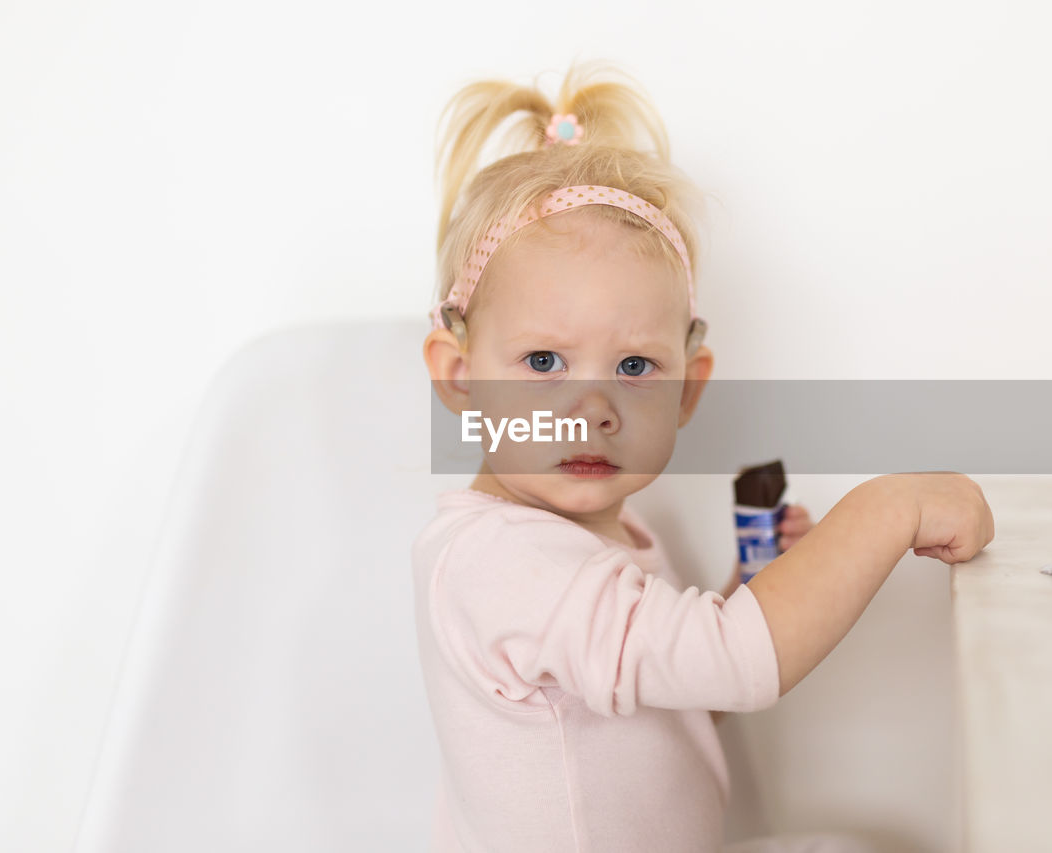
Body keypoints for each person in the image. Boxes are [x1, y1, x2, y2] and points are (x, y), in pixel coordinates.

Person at [415, 59, 995, 852]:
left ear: (688, 391)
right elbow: (729, 662)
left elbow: (678, 690)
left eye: (634, 367)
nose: (594, 409)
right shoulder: (503, 561)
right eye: (544, 362)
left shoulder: (594, 535)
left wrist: (748, 587)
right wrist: (889, 507)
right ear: (459, 376)